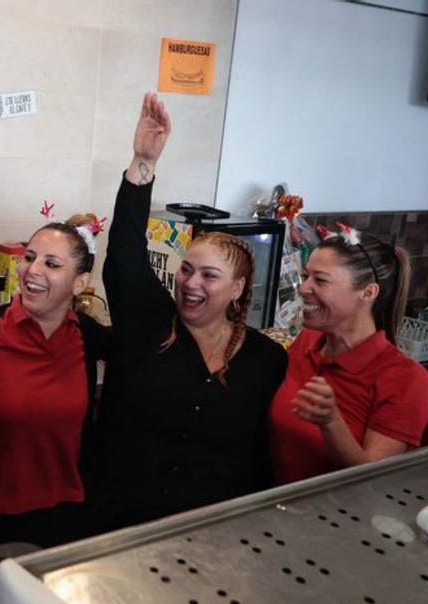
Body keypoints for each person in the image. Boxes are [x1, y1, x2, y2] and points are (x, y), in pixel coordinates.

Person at [91, 93, 288, 531]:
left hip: (212, 532)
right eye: (186, 269)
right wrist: (142, 163)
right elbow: (124, 254)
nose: (191, 283)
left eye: (209, 276)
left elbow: (257, 456)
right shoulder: (149, 324)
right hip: (123, 525)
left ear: (238, 289)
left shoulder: (266, 360)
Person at [0, 214, 111, 554]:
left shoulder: (89, 337)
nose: (32, 270)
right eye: (30, 257)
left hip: (67, 520)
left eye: (52, 264)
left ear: (79, 283)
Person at [269, 225, 428, 485]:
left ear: (368, 293)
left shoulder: (408, 381)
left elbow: (371, 479)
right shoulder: (307, 342)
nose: (303, 289)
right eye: (306, 276)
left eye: (320, 280)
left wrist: (331, 422)